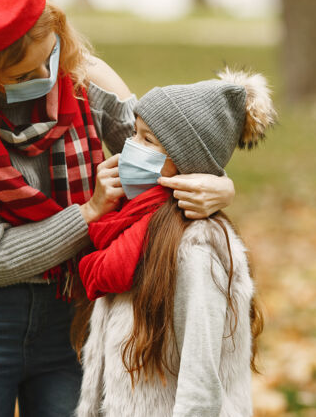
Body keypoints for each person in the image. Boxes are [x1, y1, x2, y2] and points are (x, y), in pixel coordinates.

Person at [0, 0, 235, 417]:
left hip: (77, 312)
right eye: (25, 74)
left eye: (53, 53)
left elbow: (161, 156)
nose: (48, 72)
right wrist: (89, 212)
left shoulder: (87, 79)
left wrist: (220, 186)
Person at [74, 68, 275, 417]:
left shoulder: (194, 249)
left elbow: (200, 383)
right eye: (135, 134)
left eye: (148, 140)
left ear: (186, 163)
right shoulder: (133, 224)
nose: (130, 147)